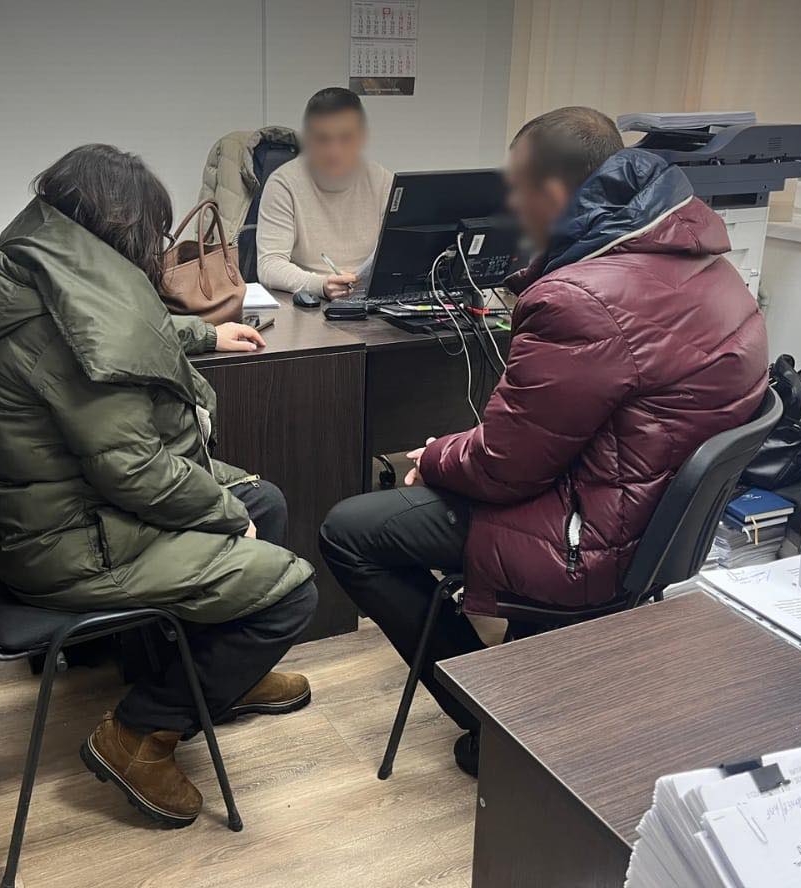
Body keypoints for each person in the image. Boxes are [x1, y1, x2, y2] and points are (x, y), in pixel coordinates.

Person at [319, 107, 769, 777]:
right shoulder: (706, 262)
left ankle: (495, 718)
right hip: (649, 524)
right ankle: (526, 689)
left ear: (554, 194)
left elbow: (505, 466)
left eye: (517, 188)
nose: (509, 205)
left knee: (349, 532)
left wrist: (435, 456)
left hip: (589, 537)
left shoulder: (581, 298)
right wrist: (462, 447)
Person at [0, 144, 318, 828]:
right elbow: (134, 470)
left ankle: (219, 677)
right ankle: (138, 733)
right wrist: (221, 514)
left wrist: (204, 335)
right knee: (291, 593)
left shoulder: (35, 270)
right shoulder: (69, 324)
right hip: (72, 543)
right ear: (122, 227)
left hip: (46, 515)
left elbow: (118, 334)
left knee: (264, 500)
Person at [256, 86, 394, 299]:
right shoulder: (284, 184)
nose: (334, 151)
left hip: (371, 298)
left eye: (345, 138)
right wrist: (320, 285)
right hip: (308, 300)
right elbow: (269, 265)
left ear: (361, 137)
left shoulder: (382, 181)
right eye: (323, 139)